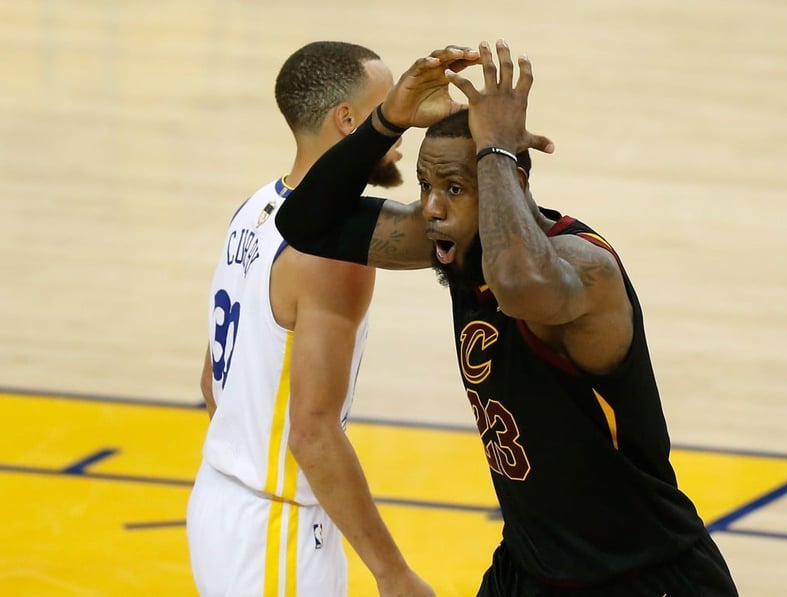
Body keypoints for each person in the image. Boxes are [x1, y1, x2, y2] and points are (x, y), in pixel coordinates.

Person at [276, 39, 738, 596]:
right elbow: (304, 221)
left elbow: (519, 285)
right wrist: (388, 118)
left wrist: (495, 148)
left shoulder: (583, 269)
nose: (432, 208)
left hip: (643, 573)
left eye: (453, 188)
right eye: (426, 187)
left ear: (511, 183)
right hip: (528, 567)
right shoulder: (452, 241)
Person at [186, 41, 474, 597]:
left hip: (221, 503)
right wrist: (392, 573)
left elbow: (212, 382)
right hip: (273, 531)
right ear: (349, 121)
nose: (403, 124)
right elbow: (314, 433)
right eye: (388, 106)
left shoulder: (254, 208)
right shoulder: (332, 255)